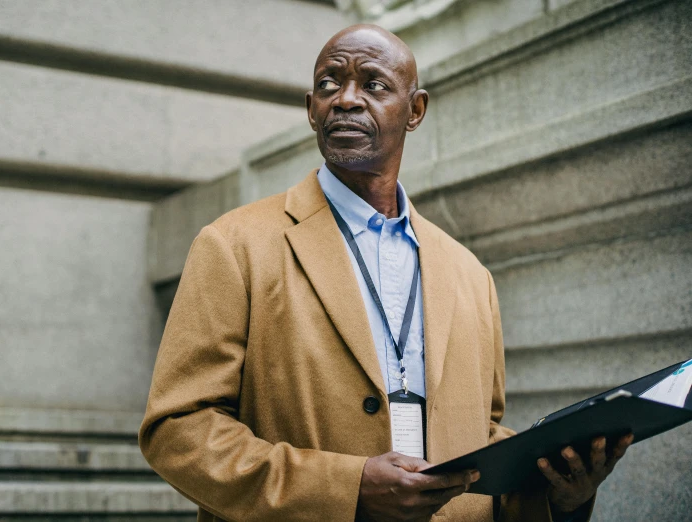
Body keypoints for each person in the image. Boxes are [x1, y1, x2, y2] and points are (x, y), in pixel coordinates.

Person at [139, 24, 632, 522]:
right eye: (330, 84)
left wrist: (560, 496)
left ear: (415, 110)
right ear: (311, 107)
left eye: (373, 84)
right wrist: (346, 490)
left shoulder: (471, 276)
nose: (346, 99)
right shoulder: (234, 245)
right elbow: (179, 429)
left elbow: (479, 439)